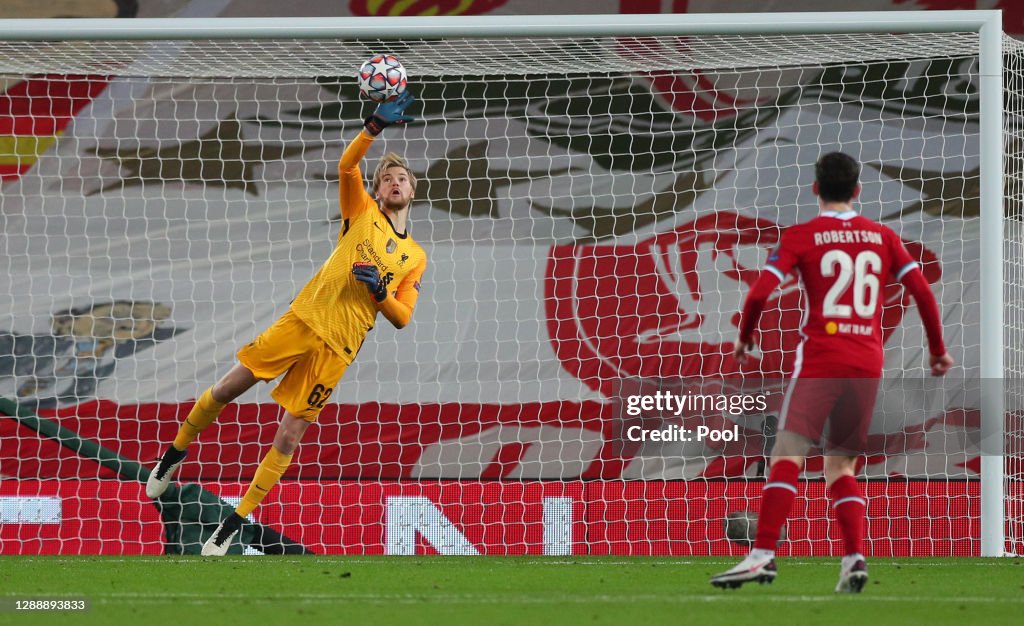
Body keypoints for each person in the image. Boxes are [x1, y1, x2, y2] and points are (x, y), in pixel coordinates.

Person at [145, 91, 426, 556]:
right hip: (304, 319)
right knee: (232, 385)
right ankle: (175, 451)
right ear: (377, 191)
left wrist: (379, 291)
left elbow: (403, 317)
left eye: (402, 178)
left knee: (289, 434)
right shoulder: (362, 214)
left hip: (338, 349)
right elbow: (347, 167)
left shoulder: (416, 257)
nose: (394, 181)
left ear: (413, 191)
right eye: (387, 177)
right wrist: (373, 127)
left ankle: (234, 522)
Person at [709, 152, 953, 592]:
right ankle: (854, 559)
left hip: (822, 358)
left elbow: (759, 293)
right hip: (866, 361)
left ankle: (762, 555)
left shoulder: (802, 236)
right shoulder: (882, 236)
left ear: (815, 188)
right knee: (841, 466)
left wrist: (744, 339)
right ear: (858, 189)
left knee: (787, 454)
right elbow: (921, 291)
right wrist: (937, 351)